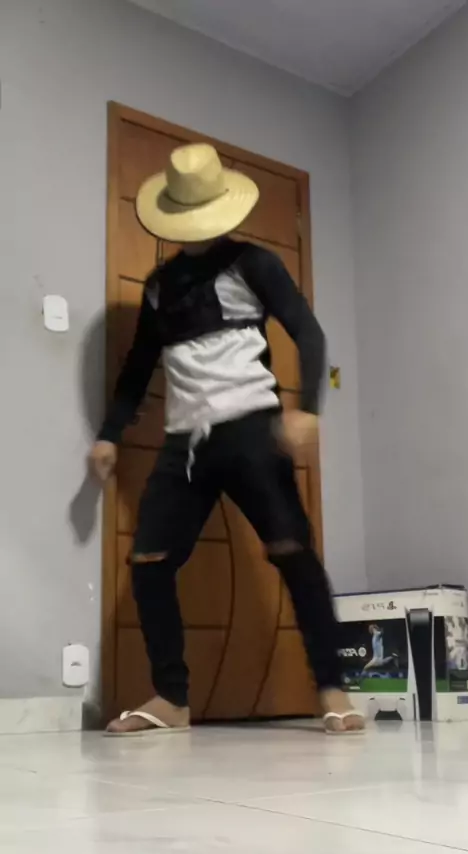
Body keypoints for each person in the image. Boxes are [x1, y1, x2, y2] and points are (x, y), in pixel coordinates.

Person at [90, 143, 364, 736]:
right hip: (183, 443)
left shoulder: (253, 263)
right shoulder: (158, 286)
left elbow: (308, 332)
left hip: (251, 432)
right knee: (149, 562)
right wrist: (110, 434)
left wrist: (307, 409)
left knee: (293, 553)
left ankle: (332, 689)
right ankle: (171, 699)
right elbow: (137, 369)